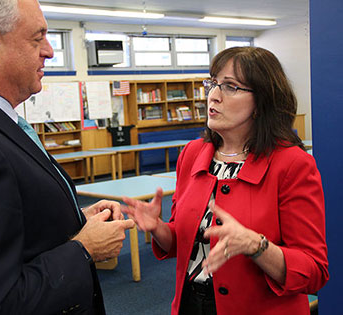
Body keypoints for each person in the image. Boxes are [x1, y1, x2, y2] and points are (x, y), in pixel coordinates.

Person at [0, 0, 134, 314]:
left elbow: (11, 218)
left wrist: (74, 219)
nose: (49, 51)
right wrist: (84, 248)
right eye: (38, 37)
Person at [122, 46, 329, 314]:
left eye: (230, 86)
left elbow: (314, 271)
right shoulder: (193, 154)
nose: (213, 96)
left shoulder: (292, 164)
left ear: (261, 101)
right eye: (213, 83)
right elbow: (188, 240)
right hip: (190, 304)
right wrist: (159, 229)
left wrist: (256, 245)